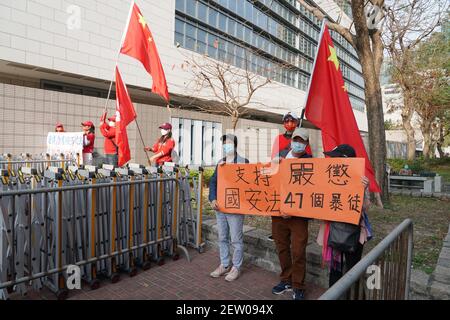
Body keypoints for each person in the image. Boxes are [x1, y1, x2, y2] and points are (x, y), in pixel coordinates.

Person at [316, 144, 372, 289]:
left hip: (353, 231)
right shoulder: (328, 176)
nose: (332, 161)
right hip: (333, 229)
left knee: (353, 269)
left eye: (336, 158)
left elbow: (365, 207)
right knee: (335, 269)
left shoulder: (360, 179)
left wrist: (363, 188)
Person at [271, 127, 311, 300]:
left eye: (302, 141)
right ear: (291, 141)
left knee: (298, 250)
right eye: (296, 140)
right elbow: (268, 181)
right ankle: (286, 279)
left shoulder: (311, 162)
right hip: (278, 212)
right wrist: (272, 165)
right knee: (281, 248)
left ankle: (298, 285)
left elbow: (311, 190)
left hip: (298, 216)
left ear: (307, 144)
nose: (298, 143)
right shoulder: (279, 156)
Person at [208, 134, 249, 282]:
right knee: (222, 237)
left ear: (235, 145)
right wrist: (212, 198)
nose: (226, 146)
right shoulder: (221, 162)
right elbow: (213, 182)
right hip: (220, 208)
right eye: (224, 144)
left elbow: (248, 184)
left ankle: (236, 267)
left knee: (236, 239)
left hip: (235, 208)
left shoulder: (244, 162)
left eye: (229, 143)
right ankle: (225, 264)